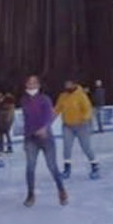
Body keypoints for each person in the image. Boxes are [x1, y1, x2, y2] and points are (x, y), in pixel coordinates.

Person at [20, 75, 67, 207]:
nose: (31, 85)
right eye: (29, 83)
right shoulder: (24, 100)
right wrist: (25, 139)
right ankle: (30, 195)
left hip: (46, 138)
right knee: (30, 167)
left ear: (39, 86)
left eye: (34, 83)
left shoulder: (44, 99)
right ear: (26, 85)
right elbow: (26, 121)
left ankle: (61, 190)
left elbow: (49, 116)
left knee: (52, 167)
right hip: (30, 139)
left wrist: (45, 128)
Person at [54, 80, 100, 180]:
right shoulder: (63, 96)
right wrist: (49, 120)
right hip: (67, 126)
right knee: (66, 147)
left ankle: (94, 166)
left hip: (81, 126)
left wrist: (84, 118)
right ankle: (67, 169)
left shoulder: (81, 95)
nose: (67, 85)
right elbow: (57, 109)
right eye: (66, 84)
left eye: (69, 84)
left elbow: (88, 109)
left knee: (86, 147)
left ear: (74, 84)